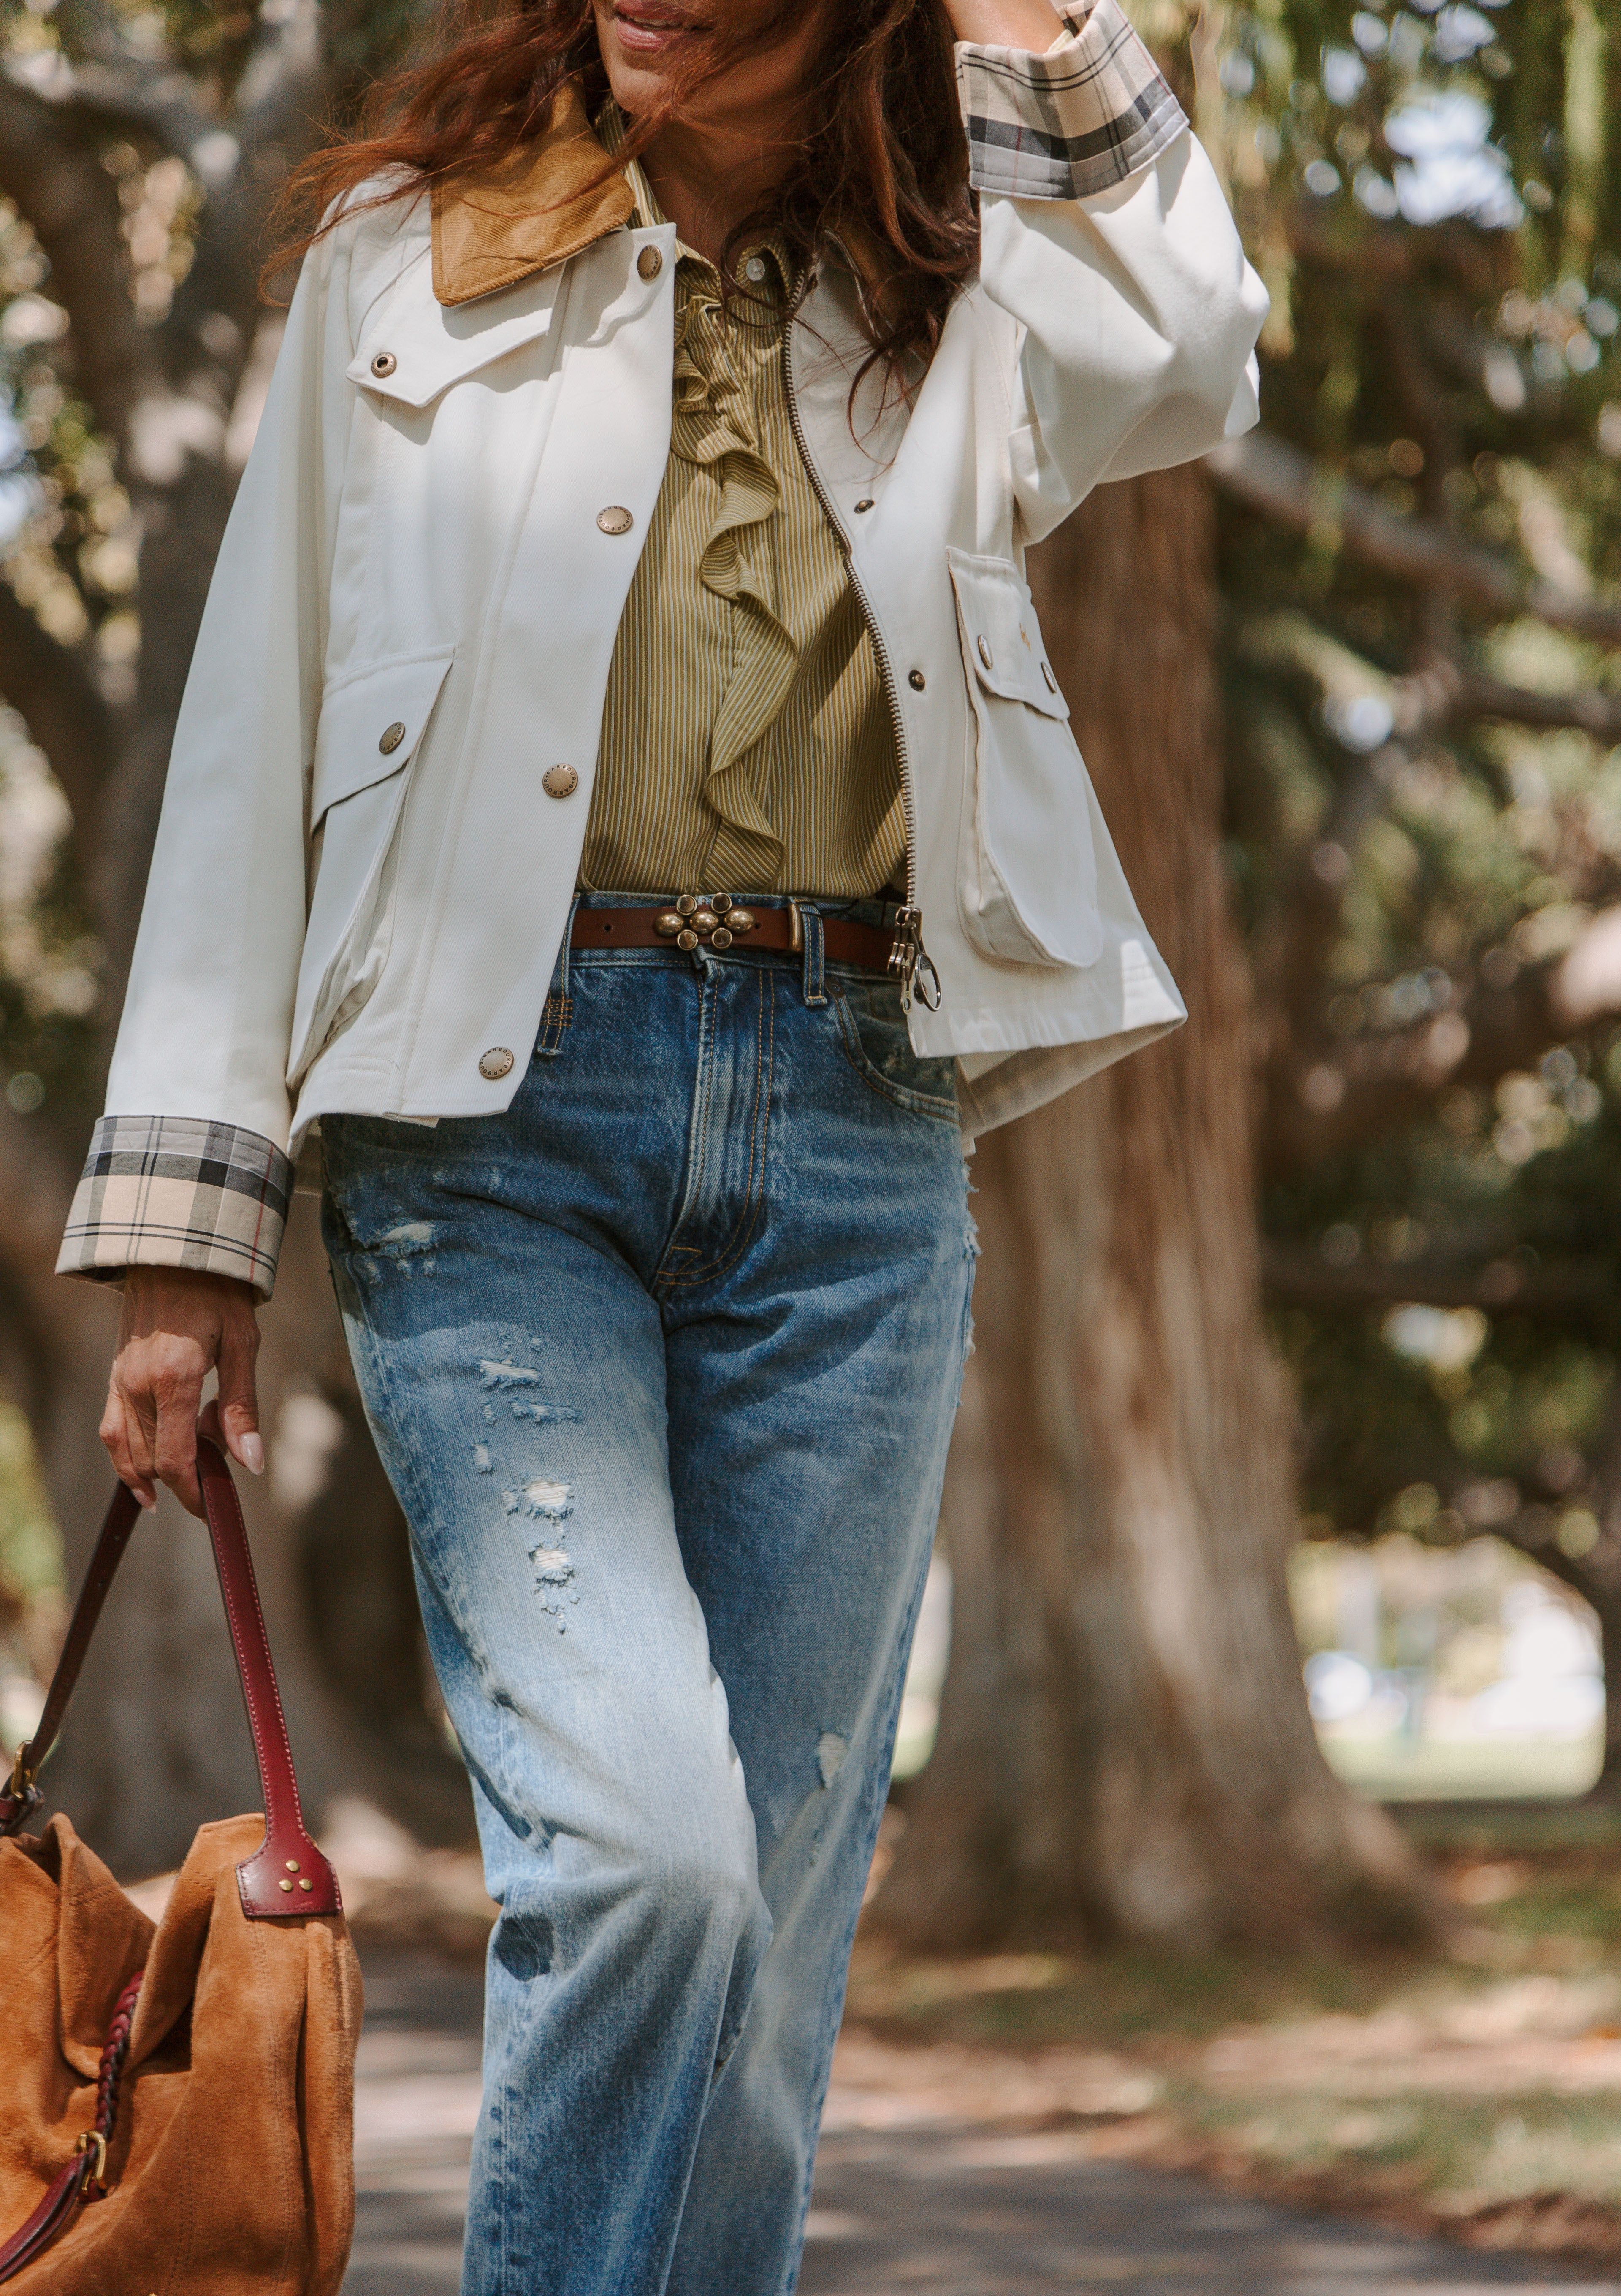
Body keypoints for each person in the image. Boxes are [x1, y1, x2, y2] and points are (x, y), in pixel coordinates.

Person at [59, 0, 1266, 2278]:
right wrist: (187, 1242)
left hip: (859, 1130)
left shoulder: (965, 286)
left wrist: (1038, 28)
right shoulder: (402, 264)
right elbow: (249, 738)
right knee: (648, 1857)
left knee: (772, 1935)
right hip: (494, 1132)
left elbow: (1201, 347)